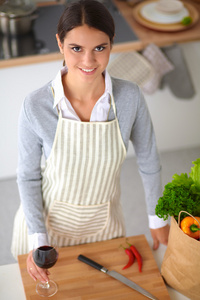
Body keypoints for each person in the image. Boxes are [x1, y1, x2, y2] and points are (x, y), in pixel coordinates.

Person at [11, 0, 169, 283]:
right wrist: (39, 239)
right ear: (60, 43)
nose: (88, 61)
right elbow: (28, 177)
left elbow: (149, 161)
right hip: (47, 228)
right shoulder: (35, 105)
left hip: (105, 224)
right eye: (76, 48)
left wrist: (157, 220)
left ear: (111, 43)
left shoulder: (130, 97)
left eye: (99, 48)